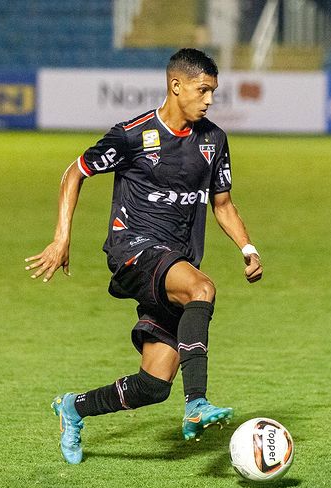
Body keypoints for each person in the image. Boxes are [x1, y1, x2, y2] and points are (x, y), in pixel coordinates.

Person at [25, 48, 263, 464]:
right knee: (202, 288)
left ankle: (72, 407)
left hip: (175, 259)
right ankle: (197, 403)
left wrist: (247, 248)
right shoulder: (132, 135)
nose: (209, 100)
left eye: (213, 92)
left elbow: (222, 204)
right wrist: (61, 237)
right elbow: (75, 171)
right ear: (176, 86)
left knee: (153, 384)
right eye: (202, 90)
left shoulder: (214, 140)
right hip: (132, 250)